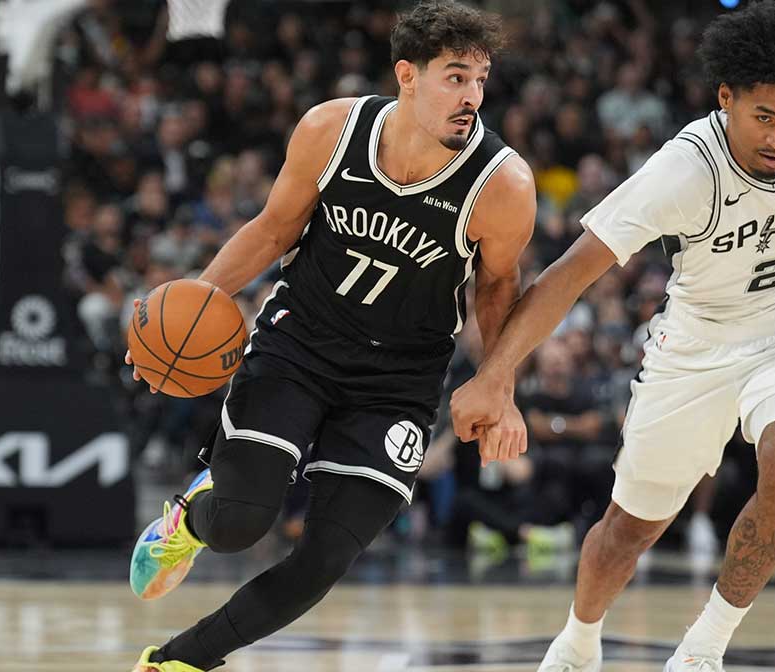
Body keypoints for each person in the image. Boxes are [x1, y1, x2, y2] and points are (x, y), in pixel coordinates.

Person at [448, 4, 775, 671]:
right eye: (763, 118)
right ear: (726, 98)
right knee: (628, 531)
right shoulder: (684, 169)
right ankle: (579, 639)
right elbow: (568, 277)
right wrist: (495, 374)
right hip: (694, 350)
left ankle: (704, 648)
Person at [123, 2, 536, 670]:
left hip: (397, 381)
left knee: (325, 557)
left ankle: (179, 662)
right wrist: (187, 310)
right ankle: (189, 521)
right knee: (239, 523)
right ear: (408, 74)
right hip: (300, 346)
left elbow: (495, 287)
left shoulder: (503, 183)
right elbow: (272, 229)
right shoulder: (331, 129)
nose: (472, 96)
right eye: (455, 77)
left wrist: (499, 386)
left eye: (480, 80)